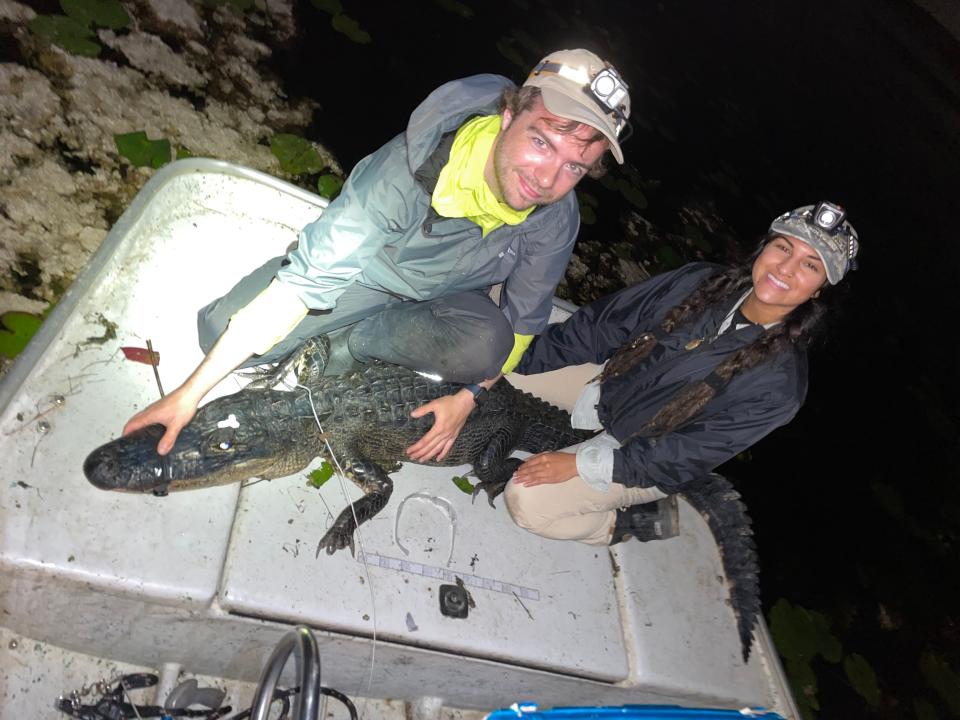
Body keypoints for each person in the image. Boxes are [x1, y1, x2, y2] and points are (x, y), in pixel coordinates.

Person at [122, 49, 633, 459]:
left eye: (574, 167)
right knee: (216, 329)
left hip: (448, 297)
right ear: (507, 116)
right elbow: (306, 283)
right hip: (366, 276)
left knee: (490, 344)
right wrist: (189, 395)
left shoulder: (556, 215)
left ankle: (352, 346)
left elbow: (526, 321)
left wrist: (470, 398)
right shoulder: (403, 174)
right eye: (541, 143)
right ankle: (344, 329)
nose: (547, 180)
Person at [503, 202, 859, 546]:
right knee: (497, 363)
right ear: (763, 247)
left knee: (525, 501)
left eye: (810, 265)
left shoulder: (780, 388)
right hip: (606, 390)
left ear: (820, 291)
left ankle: (627, 523)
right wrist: (518, 359)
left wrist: (579, 463)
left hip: (646, 458)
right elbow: (600, 328)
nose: (785, 268)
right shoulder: (699, 282)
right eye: (783, 247)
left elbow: (679, 455)